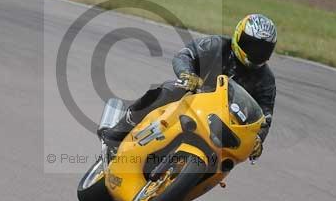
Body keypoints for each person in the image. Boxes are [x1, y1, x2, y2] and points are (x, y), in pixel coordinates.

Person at [100, 14, 277, 161]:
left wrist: (258, 139)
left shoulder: (266, 80)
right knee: (171, 89)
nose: (256, 52)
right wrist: (187, 74)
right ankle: (118, 133)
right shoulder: (217, 45)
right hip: (193, 96)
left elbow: (265, 117)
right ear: (238, 36)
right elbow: (185, 55)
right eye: (251, 44)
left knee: (231, 154)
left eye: (263, 49)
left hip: (223, 119)